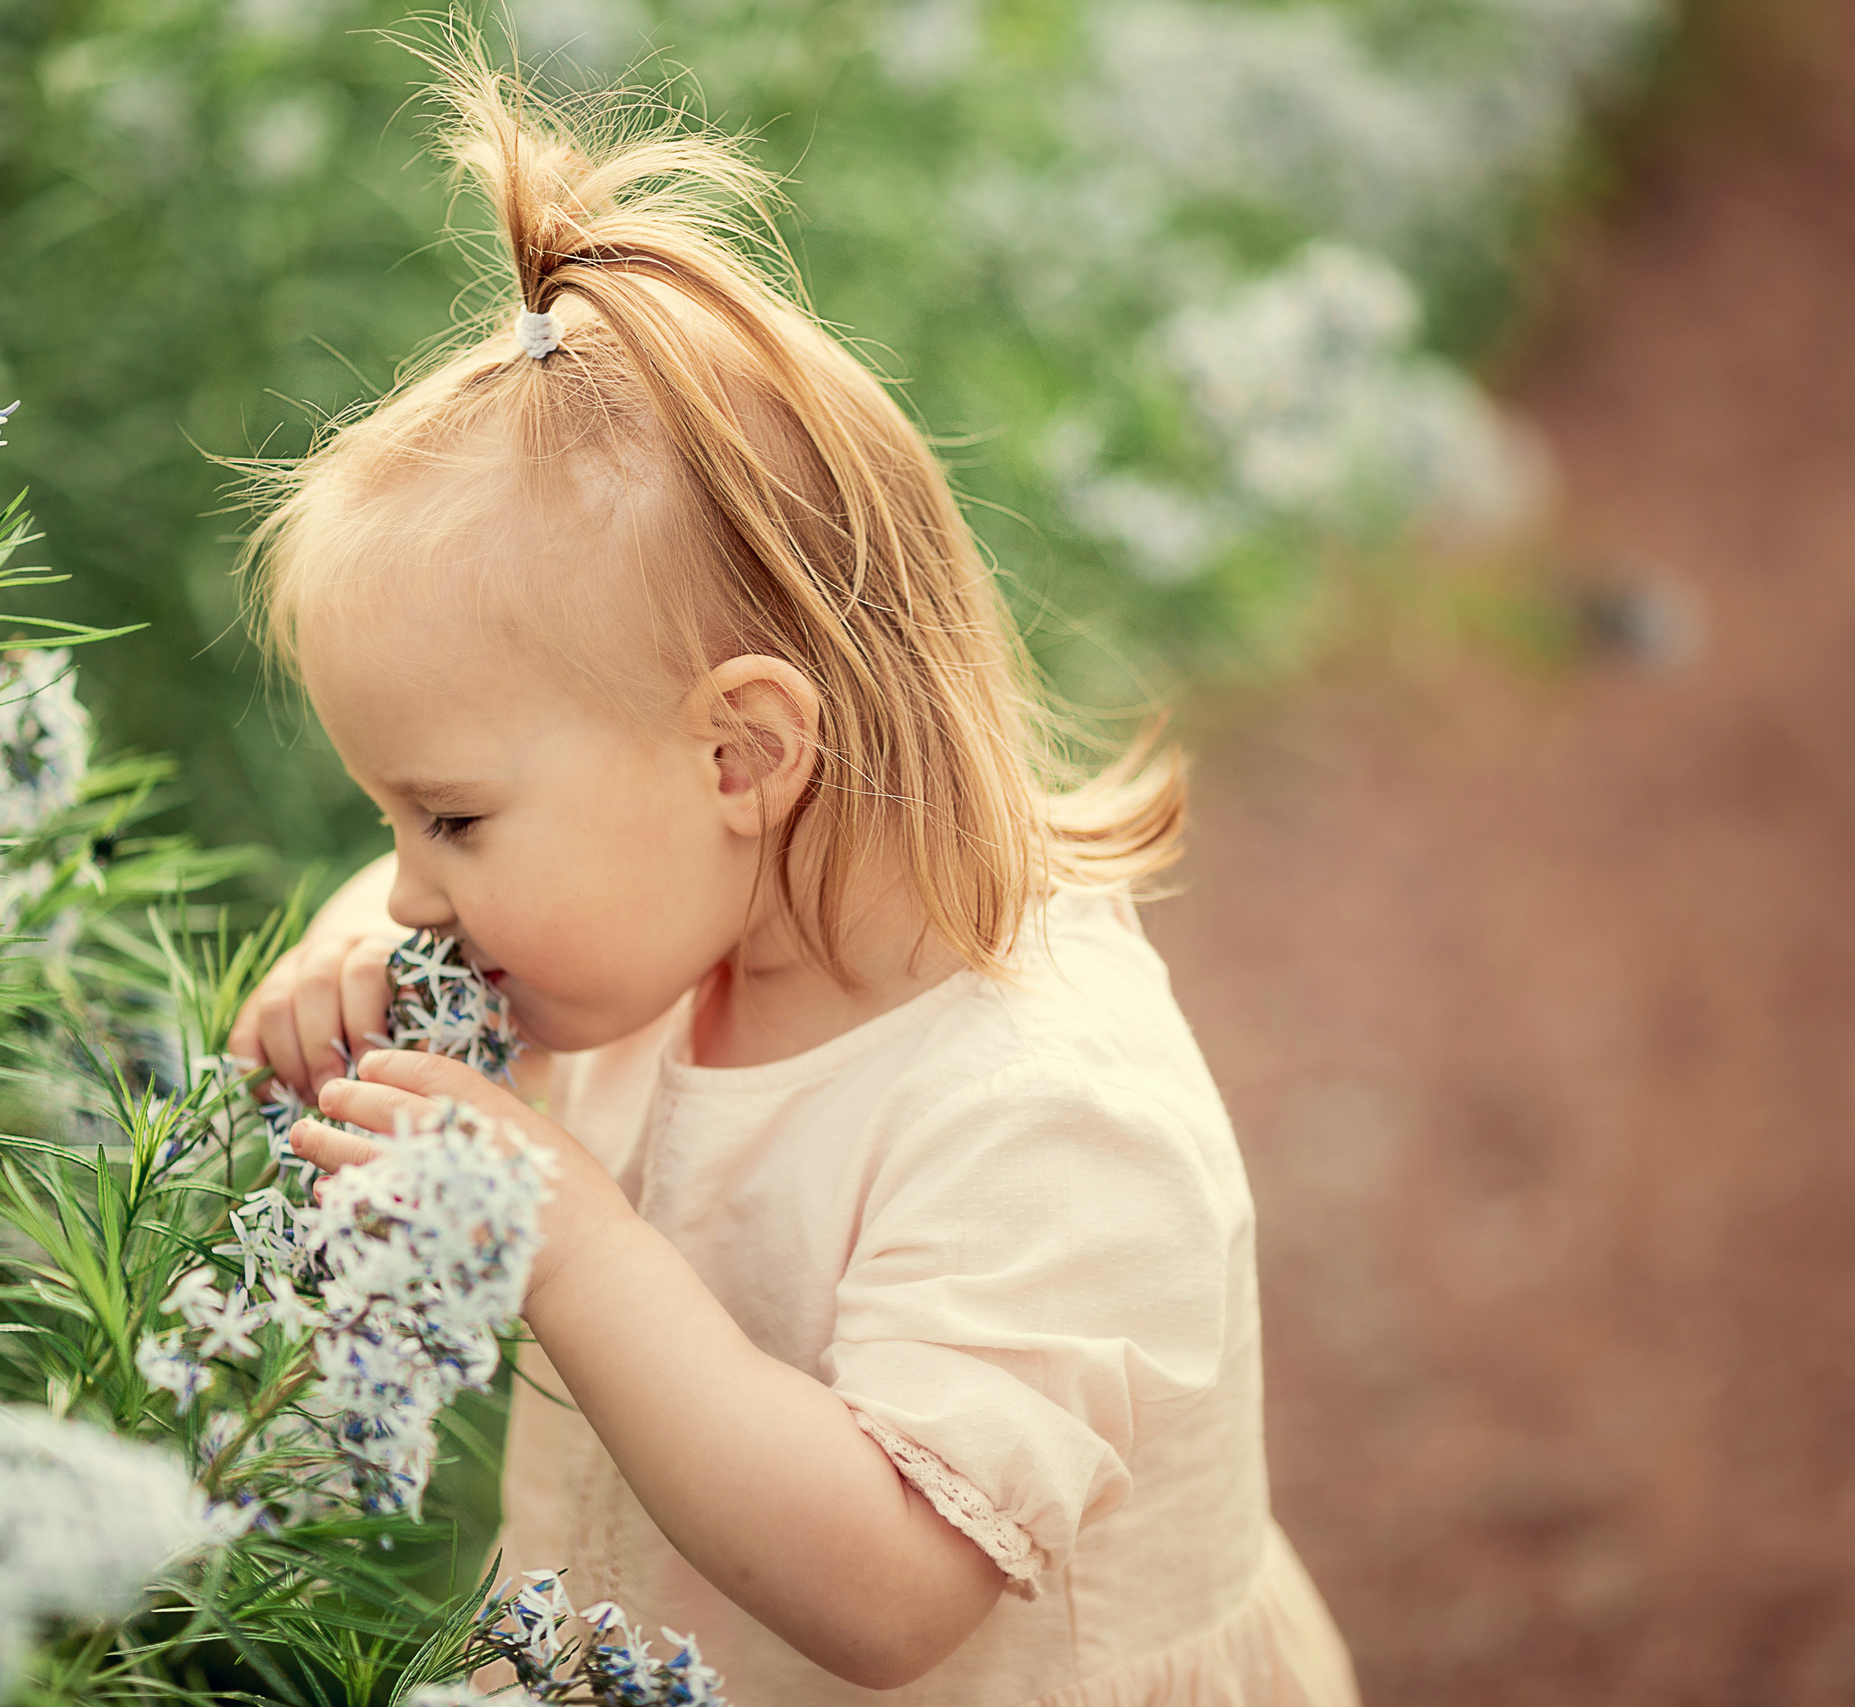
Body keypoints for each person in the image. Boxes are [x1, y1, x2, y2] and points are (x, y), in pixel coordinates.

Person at [225, 44, 1360, 1707]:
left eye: (448, 822)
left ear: (741, 756)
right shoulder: (660, 915)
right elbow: (423, 905)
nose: (402, 893)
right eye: (391, 825)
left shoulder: (1051, 1116)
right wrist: (346, 961)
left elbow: (890, 1594)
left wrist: (569, 1241)